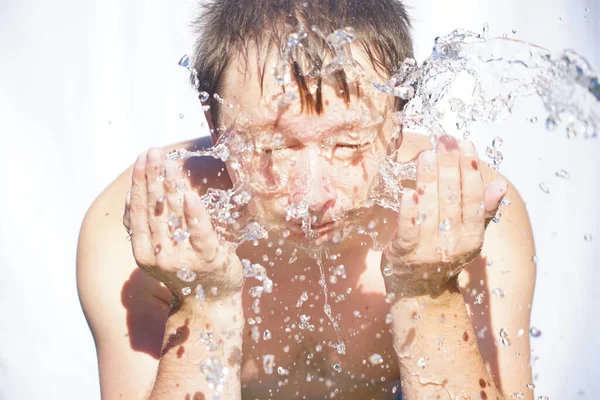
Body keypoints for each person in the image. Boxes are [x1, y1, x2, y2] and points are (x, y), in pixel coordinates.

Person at [76, 1, 537, 399]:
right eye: (273, 148)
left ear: (396, 122)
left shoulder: (462, 215)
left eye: (350, 145)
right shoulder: (148, 230)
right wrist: (203, 305)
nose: (313, 196)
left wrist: (429, 295)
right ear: (216, 125)